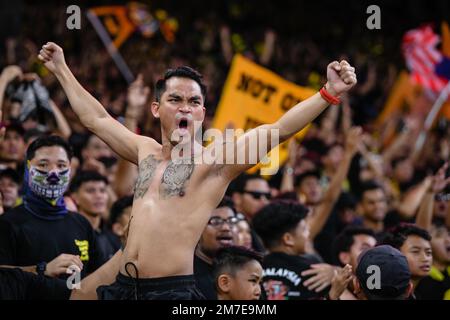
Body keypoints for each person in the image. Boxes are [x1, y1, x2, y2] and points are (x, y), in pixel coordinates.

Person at [38, 41, 357, 299]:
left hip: (169, 292)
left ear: (203, 112)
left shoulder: (215, 163)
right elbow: (97, 119)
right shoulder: (144, 150)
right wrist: (61, 70)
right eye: (175, 99)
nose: (185, 107)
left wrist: (327, 93)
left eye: (193, 102)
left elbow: (279, 129)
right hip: (122, 284)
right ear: (156, 108)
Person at [0, 136, 104, 279]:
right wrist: (42, 270)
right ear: (28, 168)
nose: (53, 174)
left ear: (70, 169)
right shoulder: (8, 223)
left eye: (61, 165)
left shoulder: (81, 223)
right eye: (43, 165)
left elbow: (95, 277)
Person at [252, 201, 331, 299]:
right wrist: (335, 273)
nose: (308, 234)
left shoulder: (252, 267)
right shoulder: (316, 270)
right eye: (305, 229)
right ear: (288, 239)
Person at [69, 170, 121, 260]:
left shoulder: (112, 236)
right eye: (90, 191)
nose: (99, 196)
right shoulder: (69, 233)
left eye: (103, 190)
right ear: (75, 197)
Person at [194, 197, 239, 299]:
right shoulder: (187, 274)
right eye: (216, 221)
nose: (226, 228)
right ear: (198, 228)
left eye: (232, 221)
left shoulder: (246, 268)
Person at [381, 223, 432, 297]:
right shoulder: (384, 295)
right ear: (394, 254)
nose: (425, 258)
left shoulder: (423, 293)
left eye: (428, 252)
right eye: (415, 252)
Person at [332, 226, 377, 299]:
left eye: (377, 249)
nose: (375, 254)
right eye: (365, 249)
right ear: (345, 257)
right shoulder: (330, 293)